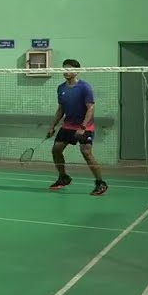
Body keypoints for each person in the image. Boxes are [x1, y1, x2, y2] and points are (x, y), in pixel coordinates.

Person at [47, 59, 107, 195]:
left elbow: (90, 108)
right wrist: (52, 126)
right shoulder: (61, 88)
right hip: (68, 125)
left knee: (86, 153)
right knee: (56, 149)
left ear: (77, 71)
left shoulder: (84, 87)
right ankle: (63, 177)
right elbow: (61, 109)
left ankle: (100, 183)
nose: (66, 72)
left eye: (69, 69)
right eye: (64, 69)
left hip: (85, 126)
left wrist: (83, 127)